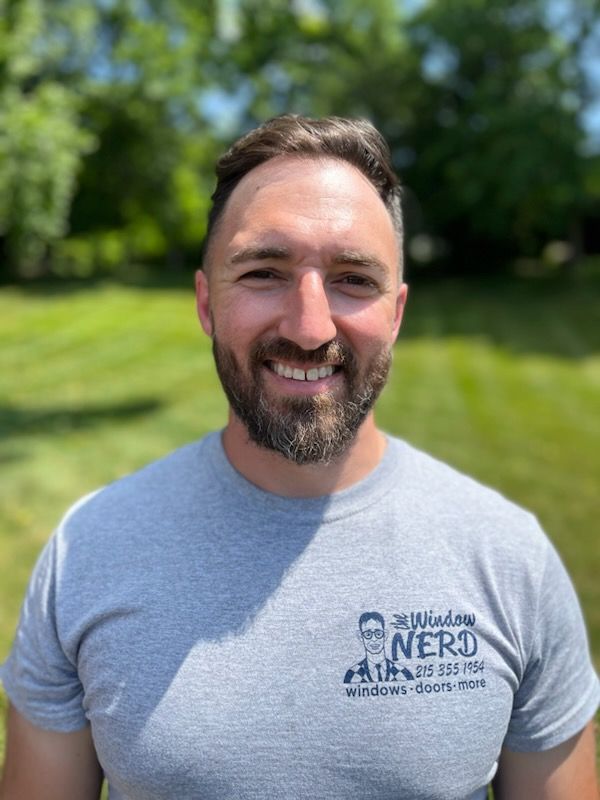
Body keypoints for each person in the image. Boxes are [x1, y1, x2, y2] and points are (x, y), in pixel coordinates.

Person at [0, 115, 598, 800]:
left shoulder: (508, 558)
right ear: (206, 304)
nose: (310, 328)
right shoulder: (89, 552)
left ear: (396, 314)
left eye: (352, 279)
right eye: (264, 271)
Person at [344, 611, 414, 684]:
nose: (374, 639)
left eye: (378, 634)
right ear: (360, 637)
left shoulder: (403, 674)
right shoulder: (352, 675)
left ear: (385, 635)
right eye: (368, 634)